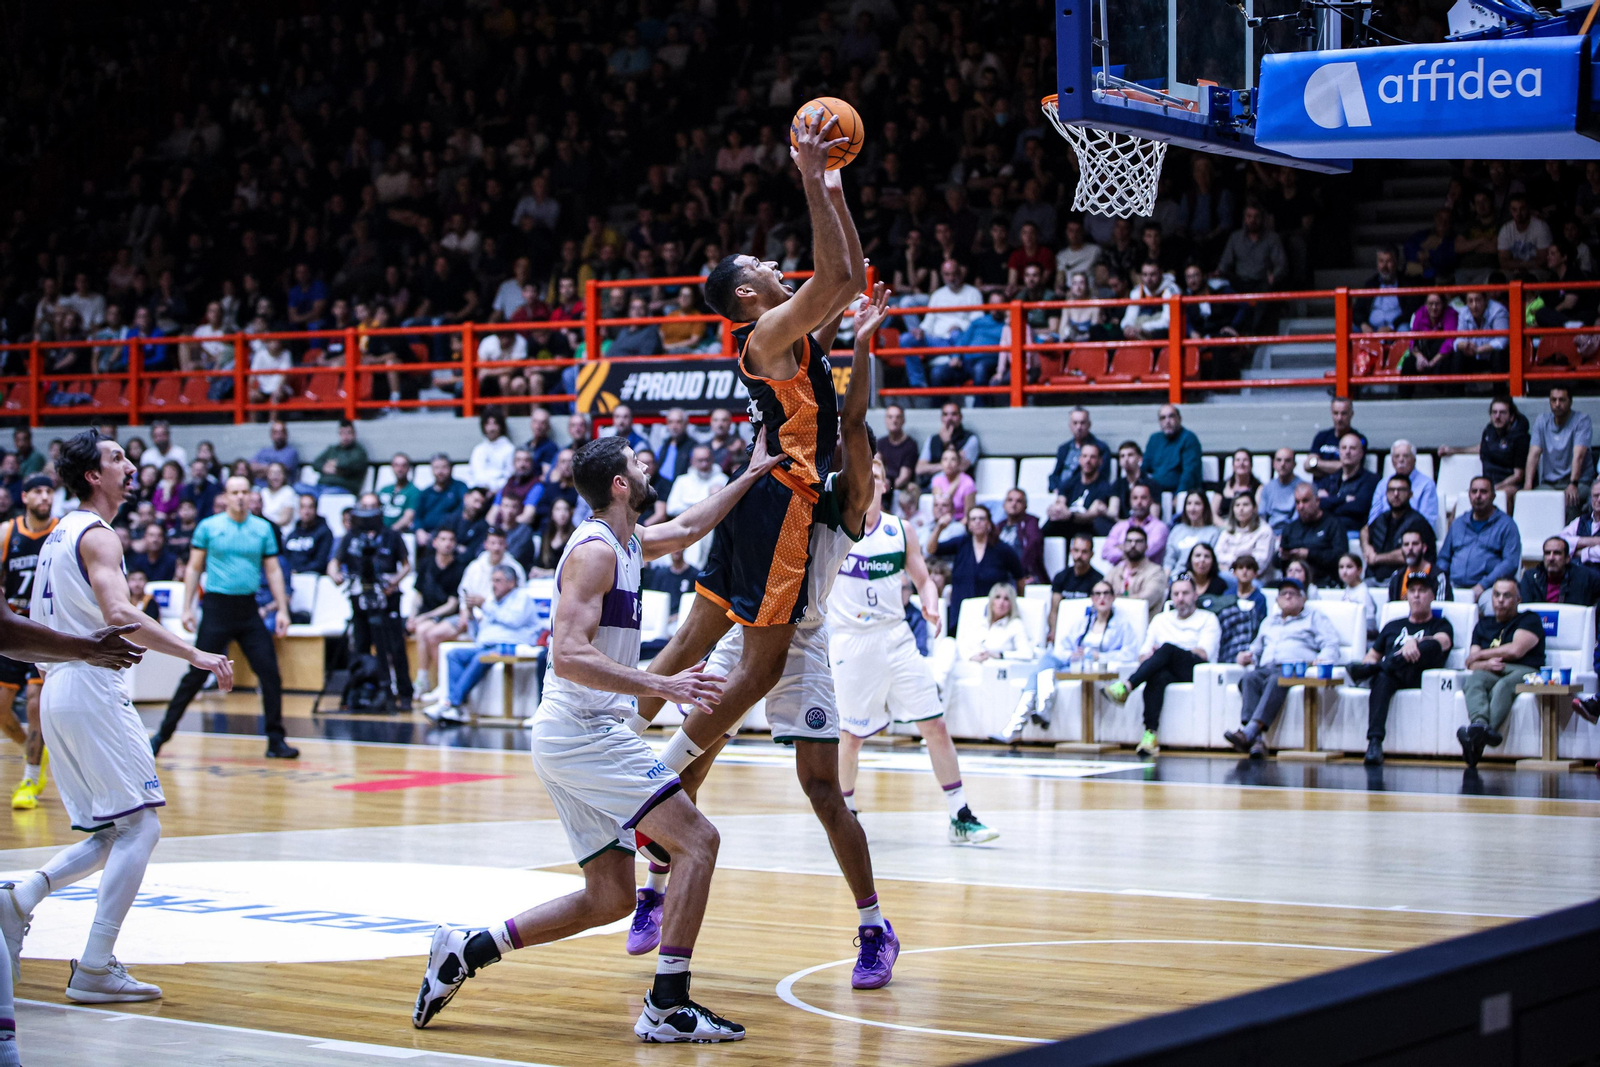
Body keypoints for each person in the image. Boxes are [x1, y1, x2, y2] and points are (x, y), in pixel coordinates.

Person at [412, 426, 784, 1041]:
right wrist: (660, 685)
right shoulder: (594, 552)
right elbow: (566, 655)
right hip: (581, 731)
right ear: (619, 484)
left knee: (609, 898)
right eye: (638, 463)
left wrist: (750, 473)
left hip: (577, 734)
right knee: (698, 841)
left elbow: (688, 528)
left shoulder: (628, 539)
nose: (647, 467)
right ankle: (667, 1005)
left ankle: (467, 950)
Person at [627, 284, 921, 988]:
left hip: (805, 644)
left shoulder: (849, 502)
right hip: (752, 630)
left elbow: (854, 420)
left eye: (875, 469)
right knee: (693, 764)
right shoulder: (794, 477)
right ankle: (655, 884)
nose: (870, 473)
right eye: (866, 465)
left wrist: (862, 346)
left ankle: (875, 927)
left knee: (822, 789)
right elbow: (829, 401)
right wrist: (847, 329)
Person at [0, 431, 225, 1012]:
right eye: (117, 457)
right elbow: (119, 611)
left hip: (58, 687)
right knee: (142, 828)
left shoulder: (58, 533)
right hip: (91, 685)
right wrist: (194, 653)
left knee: (114, 830)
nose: (129, 464)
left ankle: (20, 899)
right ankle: (96, 967)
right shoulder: (98, 534)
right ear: (93, 476)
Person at [835, 456, 997, 841]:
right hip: (852, 640)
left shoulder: (900, 530)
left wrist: (931, 603)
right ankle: (844, 815)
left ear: (885, 485)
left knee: (935, 725)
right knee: (851, 737)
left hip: (896, 637)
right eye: (862, 473)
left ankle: (960, 815)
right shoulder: (835, 526)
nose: (868, 479)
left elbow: (924, 580)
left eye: (876, 474)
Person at [151, 475, 295, 759]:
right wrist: (187, 607)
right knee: (195, 675)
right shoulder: (209, 527)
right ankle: (161, 736)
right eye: (234, 492)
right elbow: (194, 568)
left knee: (270, 673)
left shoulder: (263, 528)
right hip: (217, 608)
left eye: (244, 491)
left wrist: (283, 610)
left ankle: (276, 741)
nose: (240, 497)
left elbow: (273, 570)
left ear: (251, 495)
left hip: (248, 609)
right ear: (226, 497)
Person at [1005, 580, 1137, 741]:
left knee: (1036, 675)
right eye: (1097, 594)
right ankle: (1039, 710)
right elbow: (1062, 647)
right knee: (1046, 660)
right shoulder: (1083, 623)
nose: (1102, 598)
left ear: (1113, 597)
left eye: (1106, 593)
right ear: (1092, 598)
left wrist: (1099, 656)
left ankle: (1020, 724)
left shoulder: (1123, 625)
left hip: (1096, 668)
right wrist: (1072, 655)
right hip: (1073, 664)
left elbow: (1130, 654)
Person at [1224, 579, 1343, 757]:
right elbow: (1256, 649)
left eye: (1292, 593)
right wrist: (1247, 656)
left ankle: (1249, 732)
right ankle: (1256, 741)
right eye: (1283, 594)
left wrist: (1324, 659)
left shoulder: (1314, 617)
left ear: (1303, 599)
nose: (1287, 597)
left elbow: (1330, 643)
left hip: (1294, 668)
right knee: (1249, 678)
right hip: (1266, 667)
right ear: (1277, 600)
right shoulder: (1269, 622)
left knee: (1276, 680)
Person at [1104, 576, 1221, 756]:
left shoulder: (1208, 618)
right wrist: (1153, 655)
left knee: (1167, 649)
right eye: (1176, 594)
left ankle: (1127, 686)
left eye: (1185, 593)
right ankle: (1150, 734)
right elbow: (1142, 655)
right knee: (1158, 676)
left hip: (1194, 669)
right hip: (1166, 669)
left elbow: (1204, 653)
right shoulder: (1161, 619)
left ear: (1195, 595)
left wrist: (1168, 652)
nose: (1180, 598)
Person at [1345, 572, 1453, 765]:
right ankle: (1374, 743)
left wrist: (1415, 642)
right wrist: (1370, 662)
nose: (1416, 595)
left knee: (1431, 646)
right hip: (1392, 677)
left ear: (1432, 595)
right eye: (1412, 591)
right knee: (1383, 677)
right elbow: (1372, 655)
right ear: (1406, 596)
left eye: (1422, 590)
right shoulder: (1393, 626)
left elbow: (1444, 642)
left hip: (1419, 675)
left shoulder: (1440, 624)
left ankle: (1382, 666)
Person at [0, 476, 57, 810]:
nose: (45, 496)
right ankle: (32, 750)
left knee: (36, 703)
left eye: (49, 491)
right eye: (38, 491)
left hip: (44, 628)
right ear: (24, 496)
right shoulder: (7, 532)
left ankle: (30, 778)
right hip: (11, 626)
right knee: (1, 707)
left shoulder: (62, 532)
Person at [425, 565, 542, 724]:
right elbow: (477, 634)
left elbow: (513, 620)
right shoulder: (492, 600)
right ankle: (457, 709)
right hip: (486, 645)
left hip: (510, 645)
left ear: (511, 582)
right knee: (454, 654)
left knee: (481, 658)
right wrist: (471, 615)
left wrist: (485, 605)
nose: (493, 585)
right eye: (492, 580)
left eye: (498, 580)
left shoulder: (522, 598)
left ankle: (450, 703)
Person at [331, 493, 414, 711]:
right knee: (361, 646)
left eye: (372, 506)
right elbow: (335, 562)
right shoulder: (351, 537)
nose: (368, 511)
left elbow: (406, 565)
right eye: (364, 506)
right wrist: (335, 574)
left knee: (394, 647)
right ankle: (360, 691)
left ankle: (404, 694)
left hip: (387, 596)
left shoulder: (391, 535)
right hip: (360, 597)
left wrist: (394, 582)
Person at [1458, 578, 1546, 767]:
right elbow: (1471, 664)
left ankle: (1478, 736)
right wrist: (1485, 664)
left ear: (1518, 599)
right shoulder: (1483, 624)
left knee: (1503, 686)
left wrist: (1481, 655)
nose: (1500, 600)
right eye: (1496, 595)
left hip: (1526, 670)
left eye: (1507, 596)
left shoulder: (1529, 619)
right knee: (1474, 680)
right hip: (1492, 669)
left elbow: (1515, 650)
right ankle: (1479, 726)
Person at [927, 503, 1025, 630]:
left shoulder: (1002, 549)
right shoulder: (961, 543)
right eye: (973, 519)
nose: (977, 522)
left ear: (988, 523)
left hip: (990, 613)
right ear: (968, 524)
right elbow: (931, 549)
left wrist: (1017, 601)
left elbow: (1020, 578)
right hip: (961, 610)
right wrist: (939, 528)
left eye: (981, 518)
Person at [1436, 477, 1521, 609]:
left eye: (1483, 492)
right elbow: (1443, 558)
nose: (1478, 496)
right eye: (1474, 491)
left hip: (1488, 588)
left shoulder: (1507, 525)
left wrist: (1483, 585)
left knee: (1494, 607)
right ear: (1469, 495)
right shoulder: (1458, 523)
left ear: (1493, 496)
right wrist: (1443, 582)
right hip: (1453, 586)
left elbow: (1510, 563)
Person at [1439, 396, 1529, 513]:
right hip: (1488, 483)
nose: (1497, 416)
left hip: (1510, 485)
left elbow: (1518, 476)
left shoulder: (1520, 438)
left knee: (1503, 496)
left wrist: (1495, 488)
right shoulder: (1489, 431)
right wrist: (1453, 450)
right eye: (1494, 412)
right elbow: (1481, 448)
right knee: (1462, 500)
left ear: (1511, 417)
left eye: (1502, 413)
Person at [1525, 386, 1594, 520]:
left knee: (1570, 499)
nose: (1557, 404)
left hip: (1579, 482)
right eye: (1553, 400)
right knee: (1534, 499)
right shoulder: (1542, 421)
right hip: (1549, 483)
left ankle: (1570, 533)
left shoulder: (1582, 420)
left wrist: (1573, 484)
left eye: (1562, 400)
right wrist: (1528, 486)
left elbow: (1578, 456)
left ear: (1570, 402)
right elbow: (1534, 454)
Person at [1362, 475, 1437, 585]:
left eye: (1401, 490)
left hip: (1402, 581)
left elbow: (1410, 554)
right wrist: (1366, 547)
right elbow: (1364, 530)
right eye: (1391, 490)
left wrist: (1376, 558)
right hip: (1372, 578)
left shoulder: (1419, 523)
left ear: (1410, 494)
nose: (1396, 494)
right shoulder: (1382, 518)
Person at [663, 446, 727, 570]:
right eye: (700, 460)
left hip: (714, 531)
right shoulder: (683, 481)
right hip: (685, 528)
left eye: (707, 460)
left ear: (712, 459)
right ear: (692, 461)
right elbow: (671, 508)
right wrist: (704, 505)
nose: (704, 464)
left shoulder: (721, 479)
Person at [1044, 441, 1119, 538]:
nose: (1088, 460)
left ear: (1100, 461)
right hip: (1067, 524)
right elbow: (1060, 501)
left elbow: (1091, 515)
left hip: (1087, 527)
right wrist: (1055, 510)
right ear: (1079, 459)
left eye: (1092, 457)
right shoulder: (1070, 482)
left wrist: (1070, 515)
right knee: (1048, 525)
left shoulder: (1104, 487)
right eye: (1084, 456)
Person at [1276, 483, 1344, 587]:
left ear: (1317, 501)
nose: (1301, 506)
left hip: (1324, 582)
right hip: (1294, 584)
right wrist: (1282, 556)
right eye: (1297, 502)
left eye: (1305, 501)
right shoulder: (1290, 528)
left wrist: (1309, 554)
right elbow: (1277, 563)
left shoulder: (1333, 525)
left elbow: (1340, 557)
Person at [1315, 433, 1378, 539]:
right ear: (1339, 452)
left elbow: (1359, 508)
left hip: (1352, 531)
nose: (1347, 452)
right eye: (1344, 448)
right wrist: (1343, 499)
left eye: (1352, 448)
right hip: (1326, 531)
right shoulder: (1329, 479)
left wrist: (1330, 501)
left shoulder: (1371, 480)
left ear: (1361, 453)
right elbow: (1318, 504)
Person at [1047, 534, 1103, 644]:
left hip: (1086, 628)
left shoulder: (1098, 580)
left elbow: (1099, 613)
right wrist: (1054, 631)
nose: (1079, 555)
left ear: (1091, 554)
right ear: (1071, 551)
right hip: (1063, 627)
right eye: (1076, 550)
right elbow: (1054, 610)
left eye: (1084, 552)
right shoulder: (1061, 577)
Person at [1370, 440, 1439, 529]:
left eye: (1406, 456)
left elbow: (1427, 523)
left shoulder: (1426, 485)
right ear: (1392, 461)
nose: (1401, 460)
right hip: (1385, 533)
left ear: (1414, 460)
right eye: (1397, 456)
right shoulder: (1383, 484)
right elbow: (1373, 519)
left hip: (1414, 533)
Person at [1518, 535, 1600, 608]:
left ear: (1567, 558)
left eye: (1557, 553)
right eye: (1547, 553)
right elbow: (1525, 610)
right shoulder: (1531, 577)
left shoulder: (1584, 577)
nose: (1551, 558)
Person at [1140, 404, 1202, 497]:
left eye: (1171, 416)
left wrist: (1179, 495)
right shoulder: (1154, 439)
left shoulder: (1189, 438)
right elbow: (1144, 467)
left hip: (1179, 493)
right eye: (1163, 418)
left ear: (1179, 419)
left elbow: (1189, 473)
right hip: (1154, 493)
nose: (1167, 421)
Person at [1046, 408, 1111, 495]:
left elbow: (1101, 476)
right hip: (1060, 492)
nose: (1079, 427)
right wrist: (1056, 489)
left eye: (1082, 423)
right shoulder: (1063, 448)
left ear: (1089, 425)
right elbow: (1056, 474)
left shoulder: (1100, 448)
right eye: (1075, 423)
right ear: (1070, 425)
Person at [1217, 555, 1268, 662]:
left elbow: (1260, 626)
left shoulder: (1260, 598)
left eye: (1249, 568)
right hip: (1229, 643)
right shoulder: (1227, 595)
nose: (1244, 571)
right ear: (1234, 572)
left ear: (1255, 573)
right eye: (1240, 568)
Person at [1103, 483, 1168, 567]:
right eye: (1135, 498)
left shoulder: (1159, 527)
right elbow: (1105, 552)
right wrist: (1133, 550)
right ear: (1130, 501)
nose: (1139, 502)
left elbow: (1145, 553)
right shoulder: (1120, 526)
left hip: (1148, 573)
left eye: (1143, 498)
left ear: (1151, 500)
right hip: (1119, 573)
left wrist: (1121, 547)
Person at [1107, 525, 1167, 616]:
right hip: (1115, 622)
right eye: (1129, 541)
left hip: (1144, 622)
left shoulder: (1156, 572)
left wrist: (1114, 600)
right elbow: (1101, 593)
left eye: (1138, 542)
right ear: (1123, 546)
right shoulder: (1114, 572)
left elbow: (1146, 600)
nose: (1133, 545)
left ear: (1146, 547)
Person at [914, 402, 981, 482]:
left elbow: (961, 467)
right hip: (931, 485)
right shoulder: (932, 439)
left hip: (958, 485)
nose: (949, 418)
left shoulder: (970, 439)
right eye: (945, 414)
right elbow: (919, 469)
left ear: (960, 417)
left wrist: (948, 443)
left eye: (954, 414)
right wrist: (946, 466)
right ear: (942, 418)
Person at [1304, 397, 1365, 480]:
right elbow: (1307, 465)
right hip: (1318, 486)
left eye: (1344, 414)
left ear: (1351, 414)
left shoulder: (1358, 439)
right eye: (1336, 413)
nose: (1339, 418)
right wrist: (1336, 467)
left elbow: (1350, 468)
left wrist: (1317, 464)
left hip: (1345, 485)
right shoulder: (1321, 437)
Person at [1216, 494, 1274, 577]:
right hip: (1226, 574)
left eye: (1245, 505)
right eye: (1237, 505)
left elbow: (1259, 562)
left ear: (1255, 508)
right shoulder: (1227, 530)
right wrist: (1238, 560)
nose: (1241, 509)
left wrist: (1232, 563)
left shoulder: (1264, 531)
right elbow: (1217, 555)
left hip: (1255, 579)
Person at [1163, 492, 1220, 575]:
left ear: (1205, 507)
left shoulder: (1213, 532)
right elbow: (1169, 560)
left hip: (1201, 577)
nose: (1192, 508)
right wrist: (1166, 577)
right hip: (1176, 575)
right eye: (1189, 503)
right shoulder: (1177, 529)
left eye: (1197, 504)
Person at [995, 489, 1045, 583]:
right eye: (1010, 500)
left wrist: (1020, 573)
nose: (1013, 504)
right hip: (1001, 574)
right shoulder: (999, 526)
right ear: (1004, 504)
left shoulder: (1030, 524)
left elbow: (1033, 547)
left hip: (1025, 574)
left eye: (1019, 501)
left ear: (1025, 506)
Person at [1386, 531, 1450, 602]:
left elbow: (1441, 607)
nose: (1410, 548)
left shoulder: (1439, 577)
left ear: (1424, 548)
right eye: (1406, 544)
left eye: (1415, 544)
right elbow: (1390, 607)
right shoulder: (1397, 576)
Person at [311, 420, 369, 497]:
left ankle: (315, 497)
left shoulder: (359, 451)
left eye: (348, 433)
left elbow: (348, 465)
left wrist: (333, 464)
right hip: (322, 486)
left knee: (324, 495)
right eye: (342, 433)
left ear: (354, 434)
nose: (345, 437)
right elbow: (316, 463)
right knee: (299, 487)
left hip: (343, 488)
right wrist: (326, 467)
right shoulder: (332, 449)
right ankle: (315, 496)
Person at [875, 404, 918, 505]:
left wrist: (888, 487)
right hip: (882, 487)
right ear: (886, 420)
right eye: (890, 417)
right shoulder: (880, 443)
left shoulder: (910, 445)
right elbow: (876, 469)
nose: (894, 420)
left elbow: (904, 478)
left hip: (901, 490)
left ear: (903, 420)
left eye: (898, 417)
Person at [281, 495, 333, 575]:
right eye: (303, 507)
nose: (306, 512)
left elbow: (320, 563)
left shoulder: (324, 533)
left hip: (312, 576)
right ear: (299, 510)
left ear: (316, 509)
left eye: (310, 507)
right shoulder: (292, 534)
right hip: (290, 575)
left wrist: (298, 570)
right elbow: (285, 558)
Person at [1260, 447, 1309, 533]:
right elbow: (1261, 516)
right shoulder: (1267, 488)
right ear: (1273, 464)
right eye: (1279, 460)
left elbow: (1300, 519)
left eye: (1287, 460)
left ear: (1294, 464)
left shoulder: (1303, 487)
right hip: (1269, 533)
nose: (1282, 464)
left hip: (1294, 533)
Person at [1327, 553, 1377, 636]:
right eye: (1341, 567)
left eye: (1349, 567)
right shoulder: (1348, 588)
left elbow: (1370, 624)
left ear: (1359, 570)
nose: (1344, 571)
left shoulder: (1362, 593)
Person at [467, 413, 516, 494]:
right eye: (488, 424)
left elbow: (510, 476)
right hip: (478, 491)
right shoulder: (479, 449)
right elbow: (474, 473)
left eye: (495, 424)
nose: (491, 428)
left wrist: (494, 489)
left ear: (501, 426)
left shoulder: (509, 449)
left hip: (500, 491)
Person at [1560, 481, 1600, 566]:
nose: (1599, 500)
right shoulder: (1581, 520)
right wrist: (1592, 541)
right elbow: (1561, 540)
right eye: (1596, 496)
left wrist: (1580, 552)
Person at [929, 445, 975, 517]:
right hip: (940, 520)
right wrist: (953, 487)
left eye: (953, 459)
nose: (949, 463)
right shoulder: (937, 479)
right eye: (945, 459)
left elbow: (969, 515)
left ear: (959, 463)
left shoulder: (968, 483)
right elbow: (939, 505)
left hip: (959, 521)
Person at [379, 454, 421, 532]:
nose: (400, 469)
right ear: (392, 467)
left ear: (408, 468)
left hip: (398, 533)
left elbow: (408, 517)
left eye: (403, 466)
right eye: (396, 465)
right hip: (380, 530)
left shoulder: (414, 491)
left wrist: (390, 532)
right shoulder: (384, 489)